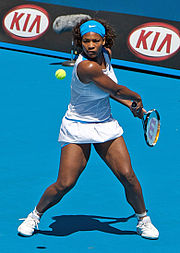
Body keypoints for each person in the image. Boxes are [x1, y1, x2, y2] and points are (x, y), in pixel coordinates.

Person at [18, 18, 159, 239]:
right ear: (80, 42)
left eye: (95, 40)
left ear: (104, 41)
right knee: (65, 183)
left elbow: (110, 93)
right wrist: (137, 98)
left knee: (127, 175)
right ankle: (34, 215)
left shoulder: (107, 55)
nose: (91, 45)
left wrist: (136, 109)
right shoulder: (86, 66)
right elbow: (118, 90)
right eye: (86, 41)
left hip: (104, 124)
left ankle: (143, 219)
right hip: (77, 126)